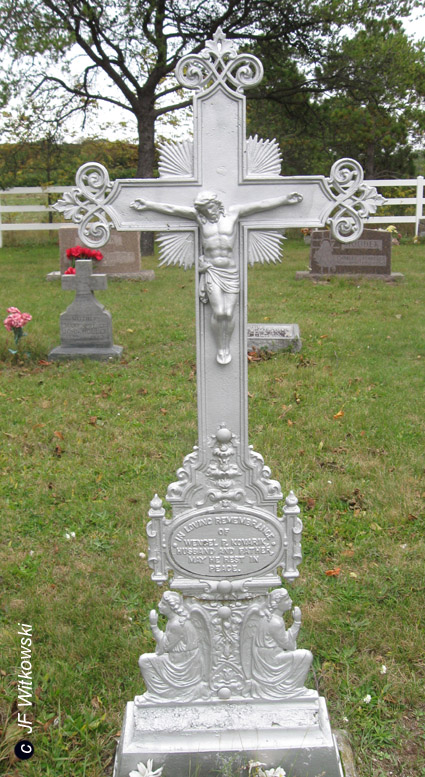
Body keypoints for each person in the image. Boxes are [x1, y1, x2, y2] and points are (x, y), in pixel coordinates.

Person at [131, 189, 302, 364]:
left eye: (210, 208)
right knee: (219, 312)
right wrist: (149, 205)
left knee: (228, 313)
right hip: (212, 271)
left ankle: (227, 344)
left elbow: (260, 205)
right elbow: (172, 209)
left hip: (231, 272)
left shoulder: (233, 213)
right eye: (204, 210)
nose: (208, 212)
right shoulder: (200, 218)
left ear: (216, 204)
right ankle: (221, 347)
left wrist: (285, 199)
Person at [135, 591, 207, 704]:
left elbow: (164, 646)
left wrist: (154, 626)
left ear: (172, 607)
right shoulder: (177, 620)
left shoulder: (176, 624)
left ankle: (156, 694)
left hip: (183, 664)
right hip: (185, 659)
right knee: (146, 660)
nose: (159, 605)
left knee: (144, 661)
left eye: (163, 604)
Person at [250, 588, 313, 699]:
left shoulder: (266, 616)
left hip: (263, 655)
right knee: (306, 655)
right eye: (286, 599)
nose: (291, 601)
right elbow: (288, 644)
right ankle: (292, 688)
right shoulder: (275, 622)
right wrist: (297, 622)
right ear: (277, 603)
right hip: (270, 659)